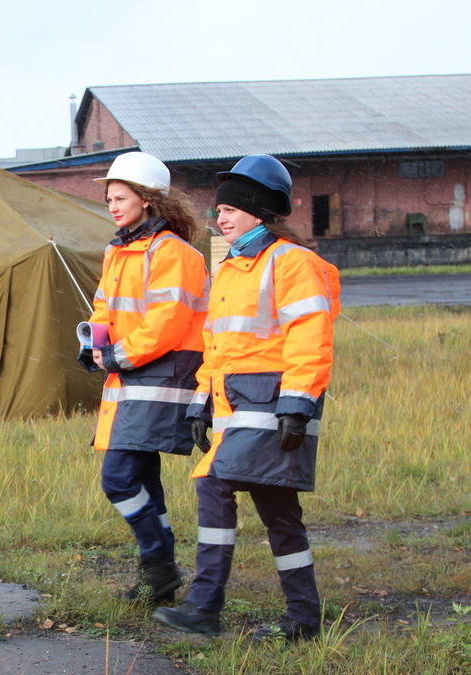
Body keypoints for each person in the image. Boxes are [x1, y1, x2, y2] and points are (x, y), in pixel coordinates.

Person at [153, 154, 341, 642]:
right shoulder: (231, 269)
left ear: (258, 210)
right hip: (239, 406)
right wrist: (199, 400)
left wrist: (297, 403)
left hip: (275, 406)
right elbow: (218, 345)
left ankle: (204, 604)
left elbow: (310, 335)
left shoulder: (291, 263)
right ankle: (305, 617)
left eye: (231, 209)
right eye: (219, 210)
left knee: (213, 482)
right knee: (278, 511)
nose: (221, 217)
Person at [79, 151, 209, 602]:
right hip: (130, 376)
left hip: (159, 379)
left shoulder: (173, 253)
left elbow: (166, 322)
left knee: (118, 478)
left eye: (120, 197)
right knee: (144, 479)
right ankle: (160, 570)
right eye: (110, 199)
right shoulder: (118, 250)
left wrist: (116, 354)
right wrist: (93, 343)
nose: (112, 206)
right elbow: (104, 308)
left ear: (148, 200)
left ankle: (159, 562)